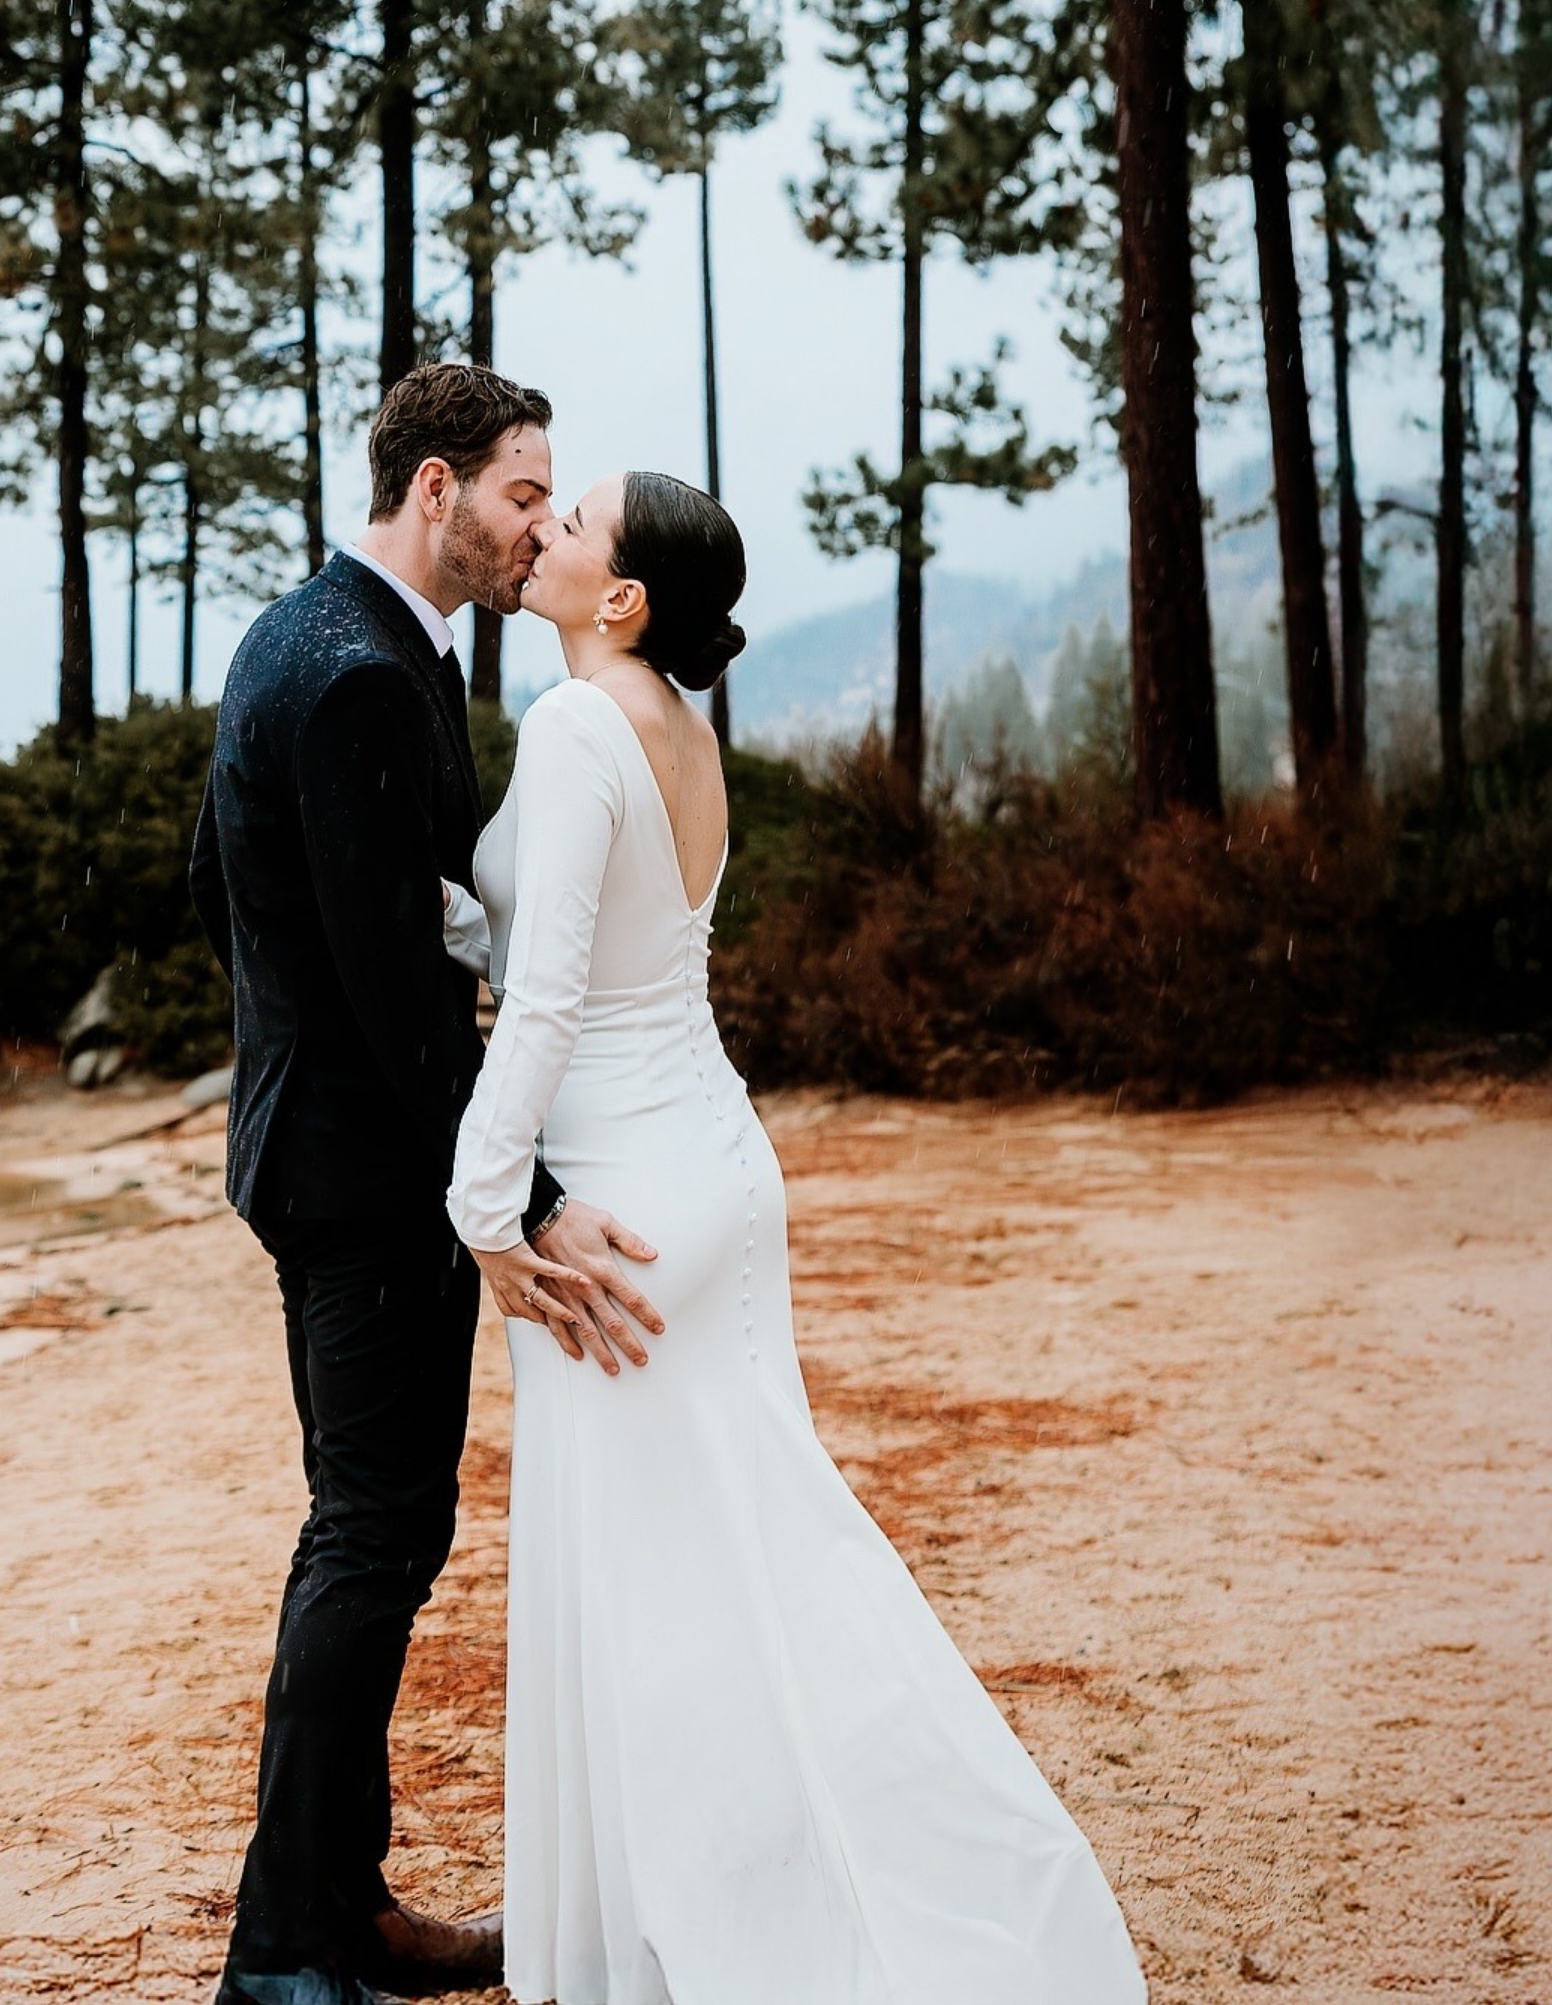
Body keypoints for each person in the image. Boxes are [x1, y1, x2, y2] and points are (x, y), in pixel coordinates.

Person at [445, 470, 1149, 2005]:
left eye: (573, 528)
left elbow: (554, 999)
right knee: (751, 1555)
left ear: (621, 599)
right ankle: (715, 1895)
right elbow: (597, 940)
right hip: (713, 1166)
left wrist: (483, 1203)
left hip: (623, 1205)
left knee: (661, 1591)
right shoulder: (680, 734)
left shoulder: (577, 727)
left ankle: (727, 1925)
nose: (545, 531)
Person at [191, 366, 665, 2005]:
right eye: (527, 492)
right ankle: (282, 1955)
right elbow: (400, 993)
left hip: (321, 1142)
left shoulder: (322, 632)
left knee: (377, 1529)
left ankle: (350, 1907)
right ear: (440, 486)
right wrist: (517, 1198)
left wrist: (290, 1028)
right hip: (359, 1174)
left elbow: (224, 887)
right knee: (374, 1536)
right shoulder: (356, 676)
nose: (541, 519)